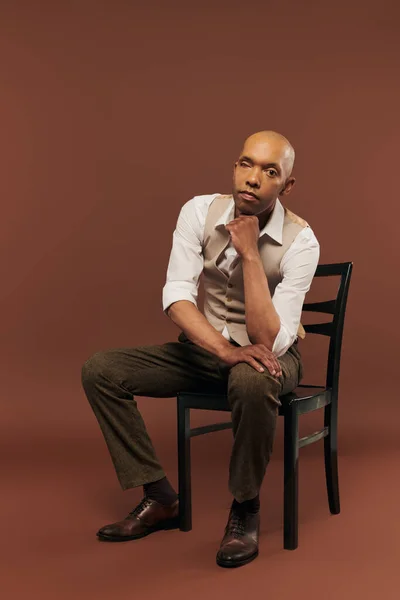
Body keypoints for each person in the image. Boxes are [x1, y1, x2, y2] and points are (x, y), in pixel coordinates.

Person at [81, 130, 320, 568]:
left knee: (251, 379)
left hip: (271, 359)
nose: (252, 179)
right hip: (207, 351)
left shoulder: (302, 241)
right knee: (101, 369)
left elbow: (269, 340)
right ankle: (159, 497)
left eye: (270, 172)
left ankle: (245, 507)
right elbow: (176, 295)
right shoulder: (197, 211)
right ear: (235, 167)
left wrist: (250, 254)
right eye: (246, 164)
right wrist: (223, 351)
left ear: (285, 186)